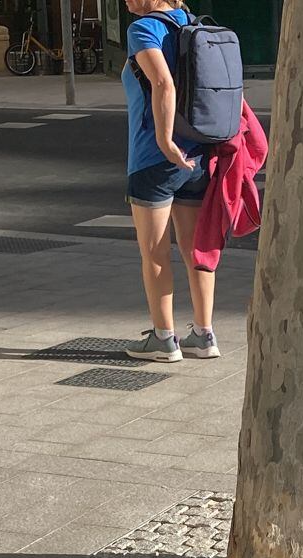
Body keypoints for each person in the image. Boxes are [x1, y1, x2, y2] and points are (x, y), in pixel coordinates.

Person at [120, 0, 218, 363]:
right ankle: (204, 335)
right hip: (199, 154)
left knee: (155, 252)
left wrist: (165, 141)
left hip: (154, 159)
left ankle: (163, 339)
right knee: (196, 250)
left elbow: (163, 82)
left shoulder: (145, 29)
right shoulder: (194, 25)